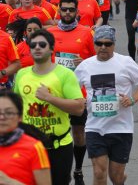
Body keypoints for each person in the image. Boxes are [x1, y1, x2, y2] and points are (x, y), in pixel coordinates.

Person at [75, 25, 138, 185]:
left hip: (121, 128)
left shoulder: (125, 62)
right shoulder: (85, 66)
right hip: (94, 128)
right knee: (99, 172)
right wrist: (78, 100)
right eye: (99, 43)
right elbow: (72, 89)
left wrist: (132, 100)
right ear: (94, 43)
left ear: (114, 44)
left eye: (108, 44)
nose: (103, 47)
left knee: (116, 176)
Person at [13, 29, 85, 185]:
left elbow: (79, 107)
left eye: (42, 44)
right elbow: (15, 109)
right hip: (29, 148)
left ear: (51, 49)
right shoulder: (21, 75)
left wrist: (50, 98)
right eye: (33, 45)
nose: (37, 47)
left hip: (58, 147)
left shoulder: (65, 74)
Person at [48, 0, 96, 185]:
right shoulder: (49, 33)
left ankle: (77, 170)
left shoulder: (86, 32)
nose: (67, 12)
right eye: (64, 9)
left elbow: (98, 60)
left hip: (78, 94)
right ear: (59, 11)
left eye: (71, 9)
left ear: (77, 12)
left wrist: (84, 62)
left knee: (78, 134)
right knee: (54, 133)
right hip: (54, 93)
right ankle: (58, 171)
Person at [0, 89, 51, 185]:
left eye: (9, 113)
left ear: (20, 117)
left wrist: (9, 182)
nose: (2, 117)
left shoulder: (35, 147)